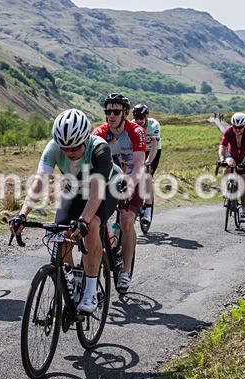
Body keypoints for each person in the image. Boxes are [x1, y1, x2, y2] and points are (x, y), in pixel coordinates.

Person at [9, 109, 118, 313]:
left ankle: (91, 291)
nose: (69, 152)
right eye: (64, 147)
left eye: (75, 147)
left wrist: (83, 220)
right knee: (60, 234)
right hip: (75, 187)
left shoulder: (100, 149)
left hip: (106, 188)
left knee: (92, 225)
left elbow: (97, 192)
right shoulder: (53, 148)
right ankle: (71, 281)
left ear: (86, 138)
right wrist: (22, 214)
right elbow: (40, 182)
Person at [93, 93, 147, 292]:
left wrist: (131, 186)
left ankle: (125, 271)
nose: (111, 115)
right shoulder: (100, 133)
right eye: (108, 112)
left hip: (135, 177)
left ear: (125, 113)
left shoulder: (136, 132)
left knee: (126, 221)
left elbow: (140, 165)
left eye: (116, 112)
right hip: (111, 179)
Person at [219, 112, 245, 222]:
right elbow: (222, 146)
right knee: (227, 166)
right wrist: (222, 159)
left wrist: (244, 163)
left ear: (244, 125)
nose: (237, 130)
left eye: (239, 128)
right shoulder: (229, 131)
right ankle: (227, 189)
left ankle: (244, 211)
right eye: (235, 127)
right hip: (233, 155)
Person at [131, 103, 161, 226]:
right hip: (139, 150)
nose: (138, 121)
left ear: (146, 116)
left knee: (147, 175)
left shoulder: (154, 125)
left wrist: (148, 162)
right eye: (136, 118)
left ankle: (148, 210)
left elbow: (154, 147)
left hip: (152, 150)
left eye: (141, 118)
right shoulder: (132, 125)